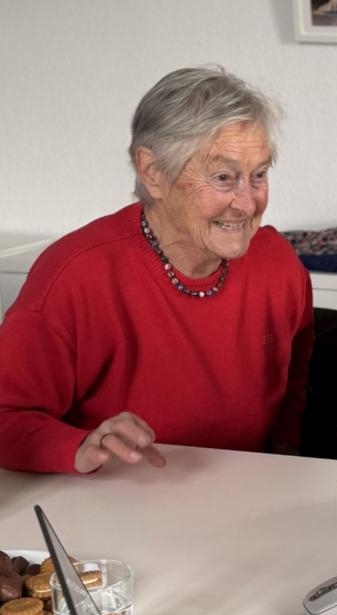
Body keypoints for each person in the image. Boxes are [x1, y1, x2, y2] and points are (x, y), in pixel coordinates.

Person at [0, 66, 313, 474]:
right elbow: (6, 415)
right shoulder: (76, 275)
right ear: (153, 173)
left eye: (258, 175)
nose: (248, 203)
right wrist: (79, 446)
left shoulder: (278, 264)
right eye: (223, 177)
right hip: (112, 505)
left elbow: (298, 401)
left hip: (245, 505)